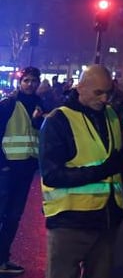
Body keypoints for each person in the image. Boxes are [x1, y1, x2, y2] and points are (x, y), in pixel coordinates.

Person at [39, 65, 123, 278]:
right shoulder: (57, 120)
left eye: (109, 92)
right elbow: (52, 175)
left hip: (106, 218)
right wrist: (103, 170)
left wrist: (122, 201)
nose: (105, 98)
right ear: (80, 87)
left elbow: (116, 166)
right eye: (98, 92)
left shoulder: (110, 115)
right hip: (69, 222)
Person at [0, 67, 46, 274]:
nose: (30, 84)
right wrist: (3, 164)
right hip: (7, 170)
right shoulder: (8, 105)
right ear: (20, 82)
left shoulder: (40, 105)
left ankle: (2, 259)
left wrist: (38, 120)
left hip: (26, 170)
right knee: (2, 214)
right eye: (26, 80)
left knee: (13, 216)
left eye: (34, 81)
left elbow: (37, 136)